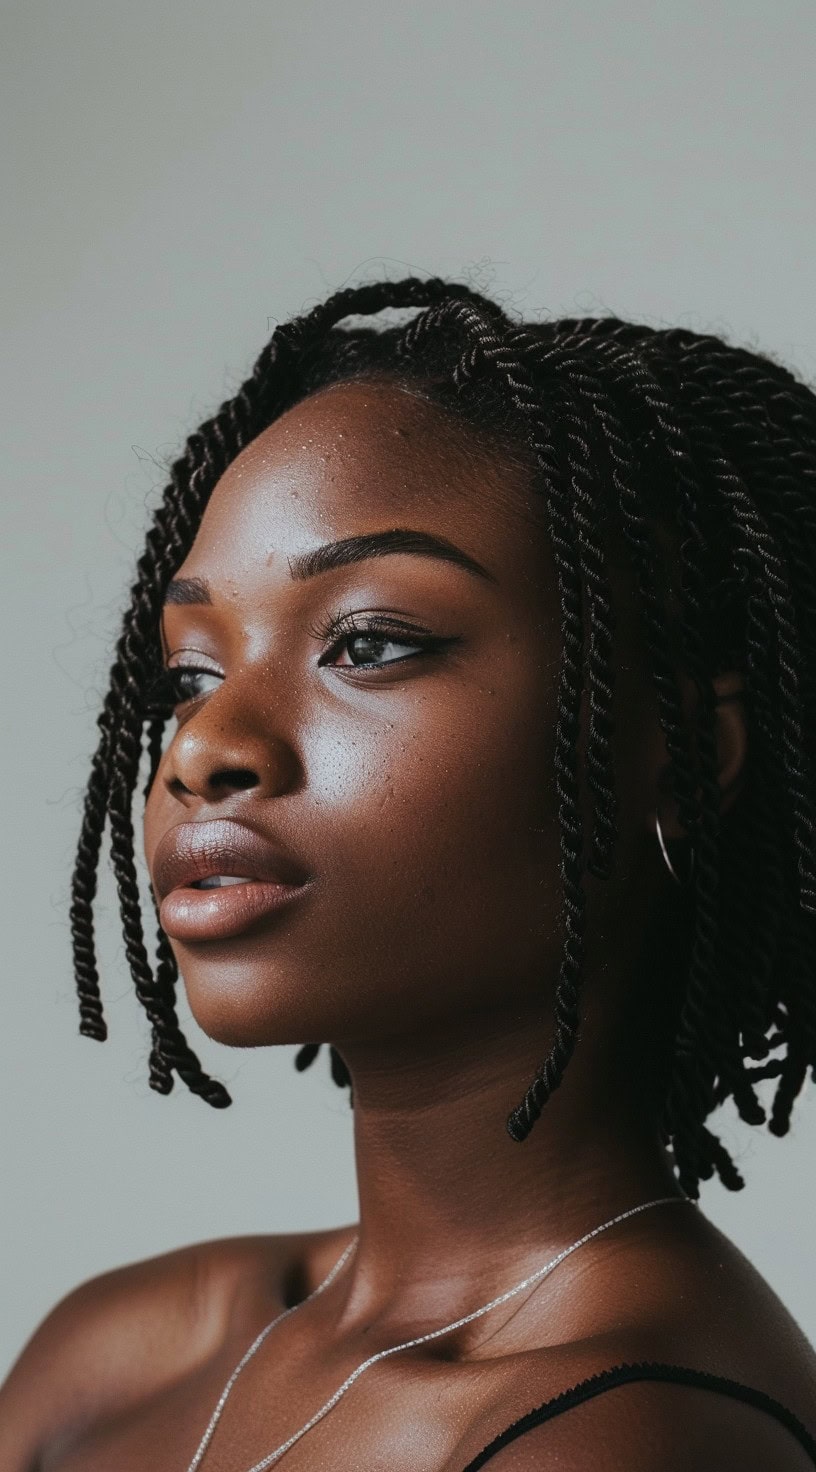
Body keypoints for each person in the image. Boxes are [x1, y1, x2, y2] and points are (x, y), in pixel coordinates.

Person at [2, 276, 815, 1469]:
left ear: (683, 761)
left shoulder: (629, 1433)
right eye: (189, 675)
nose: (205, 746)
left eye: (370, 642)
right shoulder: (129, 1345)